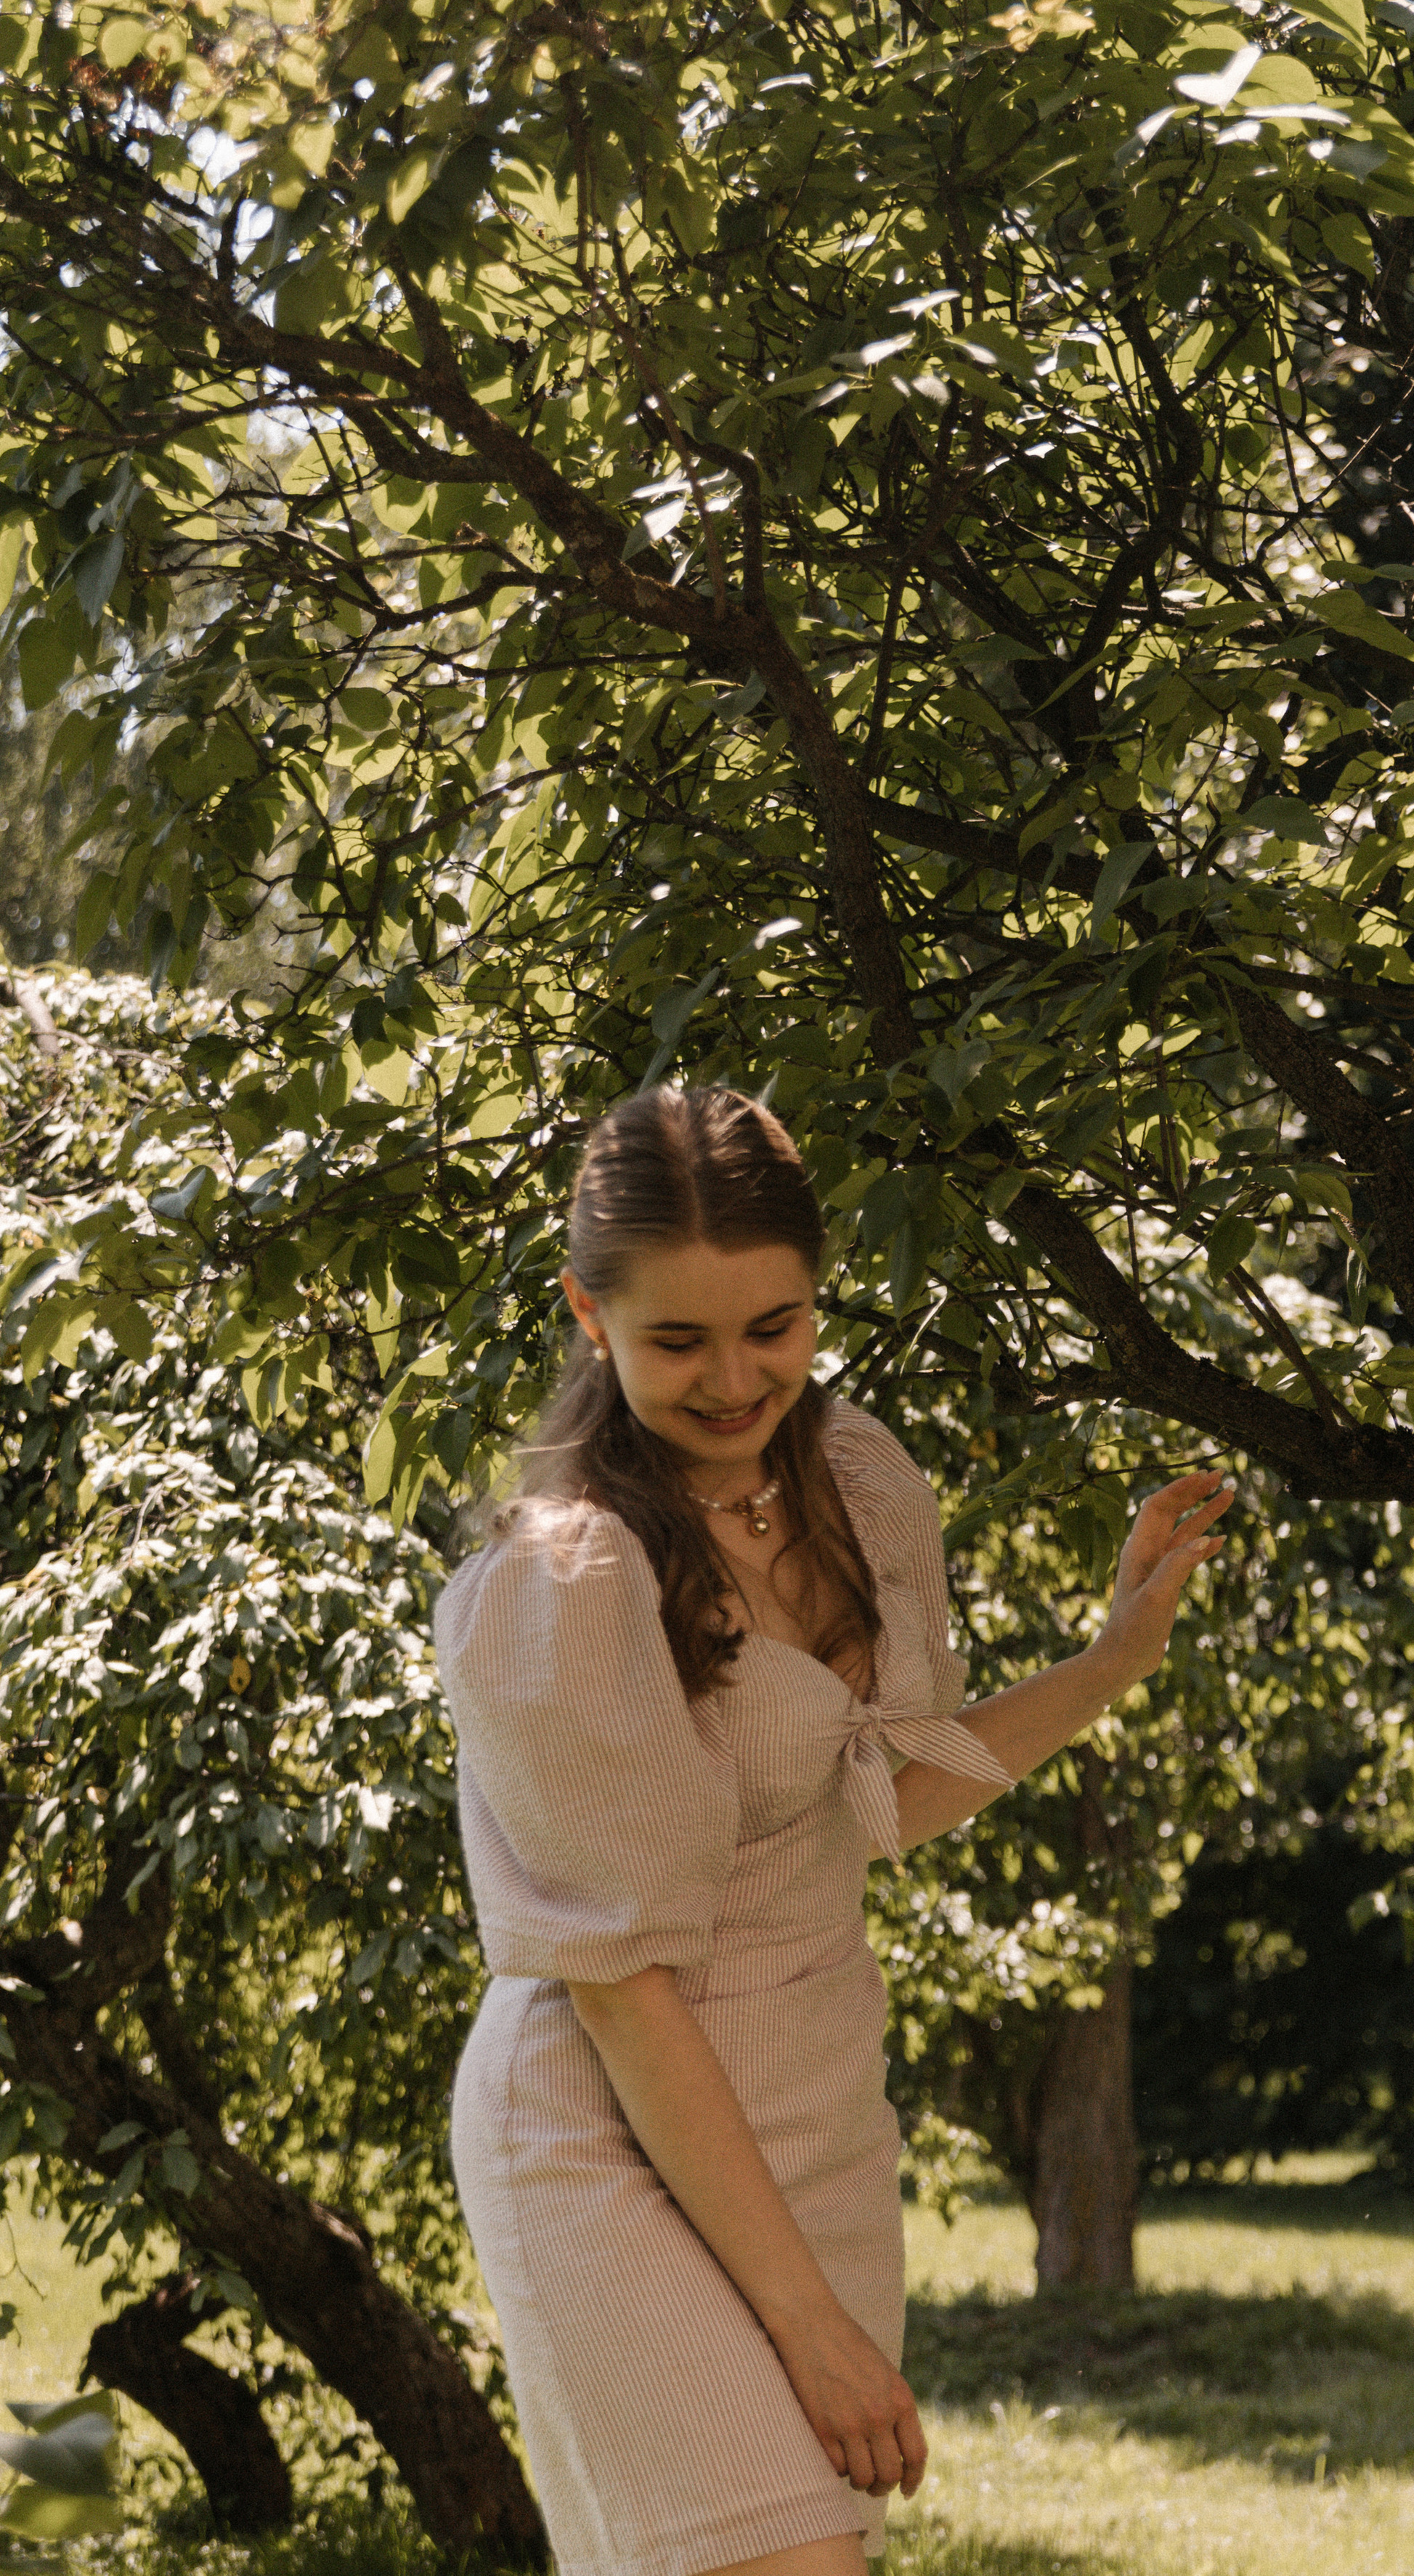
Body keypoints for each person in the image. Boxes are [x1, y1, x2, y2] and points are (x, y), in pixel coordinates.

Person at [438, 1085, 1230, 2576]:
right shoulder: (565, 1579)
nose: (737, 1379)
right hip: (611, 2119)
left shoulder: (856, 1479)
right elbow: (620, 1988)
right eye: (679, 1339)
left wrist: (1110, 1661)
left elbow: (870, 1808)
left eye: (775, 1326)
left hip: (814, 2096)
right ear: (589, 1316)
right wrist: (808, 2328)